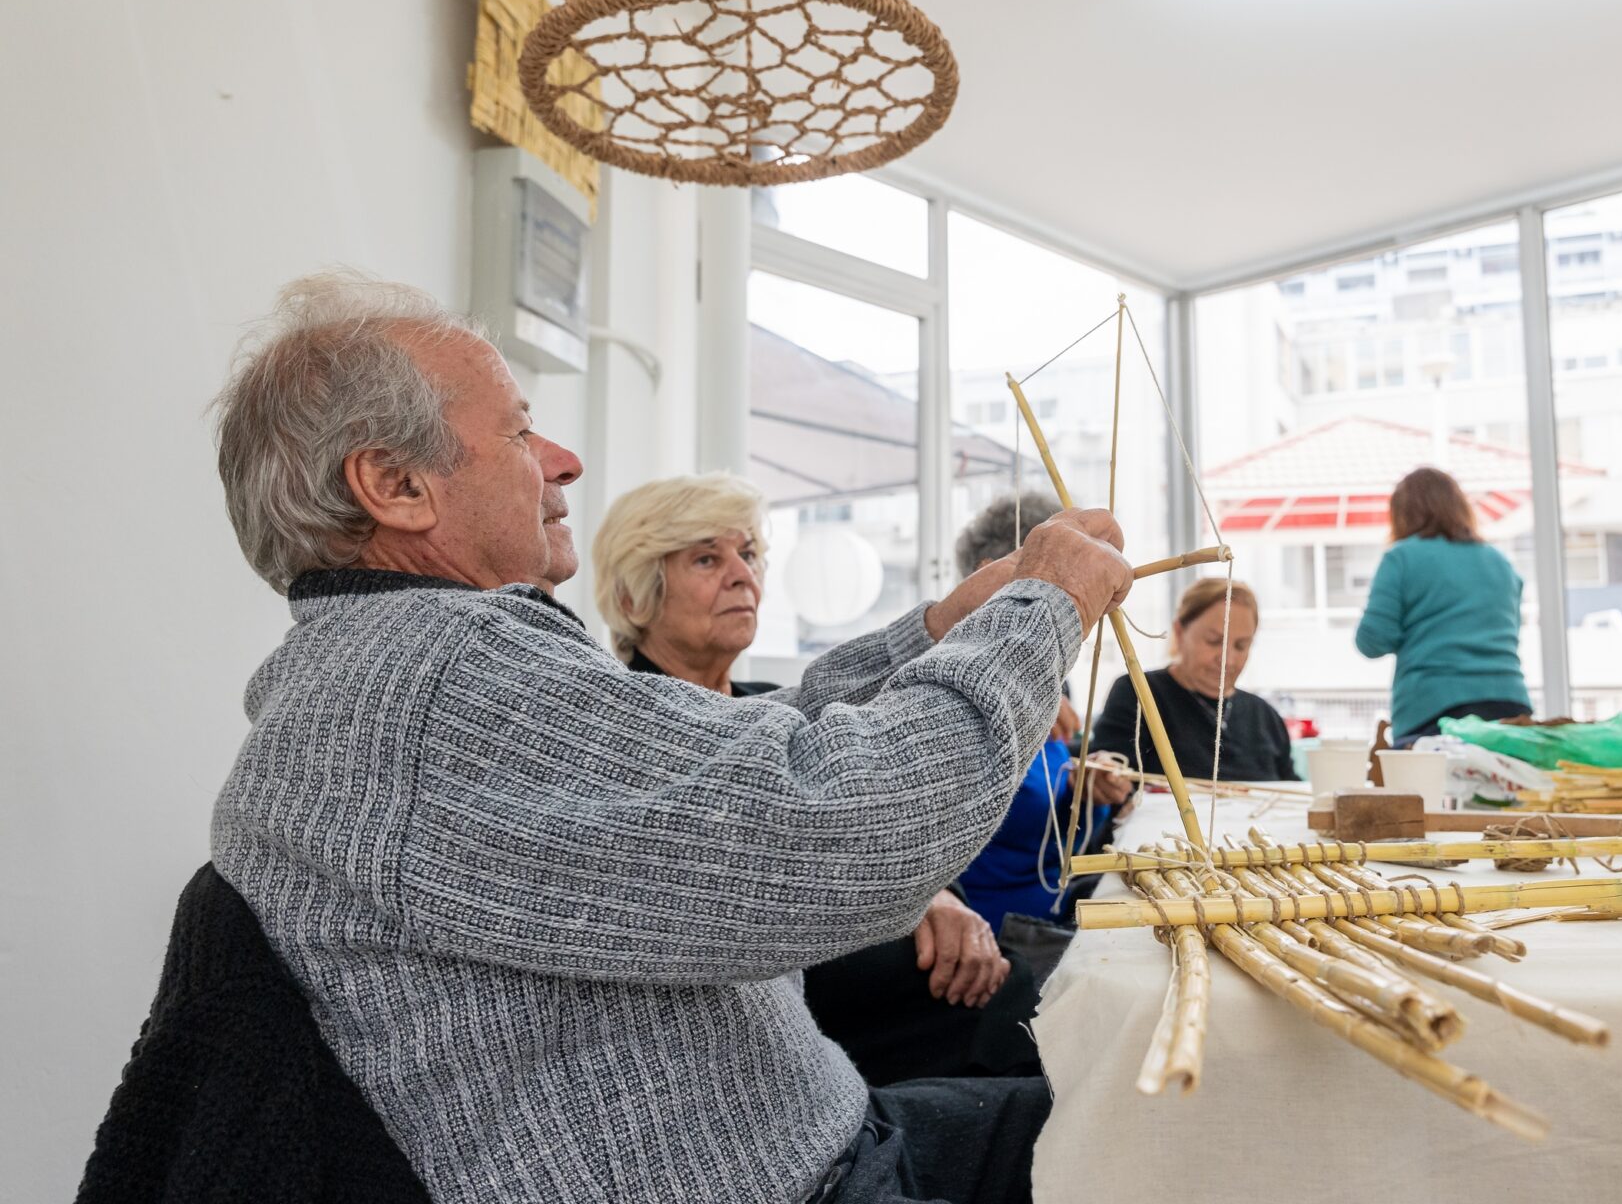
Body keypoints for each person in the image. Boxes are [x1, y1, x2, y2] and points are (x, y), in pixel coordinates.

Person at [204, 271, 1134, 1204]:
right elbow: (854, 831)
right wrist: (1043, 609)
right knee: (1166, 1118)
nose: (564, 460)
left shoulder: (389, 669)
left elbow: (745, 746)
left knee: (1134, 1099)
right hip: (795, 1183)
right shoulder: (439, 675)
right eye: (521, 433)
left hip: (822, 1134)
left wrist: (939, 631)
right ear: (395, 485)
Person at [592, 474, 1043, 1086]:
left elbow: (882, 809)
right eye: (706, 558)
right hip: (780, 1012)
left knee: (1030, 987)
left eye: (748, 553)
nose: (743, 575)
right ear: (633, 594)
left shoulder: (777, 705)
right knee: (1026, 1011)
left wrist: (939, 895)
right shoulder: (628, 732)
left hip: (889, 969)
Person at [947, 493, 1133, 938]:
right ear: (990, 574)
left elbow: (1048, 798)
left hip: (1057, 906)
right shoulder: (948, 682)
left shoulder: (1048, 681)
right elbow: (977, 811)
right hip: (984, 926)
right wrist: (1010, 704)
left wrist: (1084, 789)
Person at [1355, 466, 1532, 746]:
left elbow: (1373, 641)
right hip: (1510, 709)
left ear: (1402, 513)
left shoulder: (1402, 558)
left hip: (1434, 711)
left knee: (1425, 777)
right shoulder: (1501, 563)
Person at [1089, 577, 1294, 783]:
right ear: (1180, 632)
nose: (1228, 659)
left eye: (1241, 646)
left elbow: (1293, 786)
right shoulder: (1139, 693)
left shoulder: (1265, 716)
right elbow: (1109, 773)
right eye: (1214, 641)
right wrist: (1107, 778)